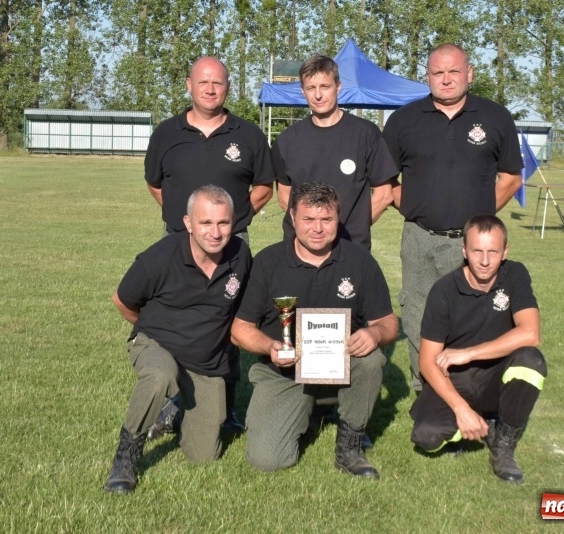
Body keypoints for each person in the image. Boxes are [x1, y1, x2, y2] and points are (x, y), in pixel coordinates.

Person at [231, 182, 398, 478]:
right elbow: (240, 329)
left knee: (371, 361)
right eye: (308, 219)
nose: (317, 228)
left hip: (343, 366)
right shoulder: (268, 262)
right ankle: (308, 408)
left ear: (338, 219)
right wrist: (270, 347)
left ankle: (350, 442)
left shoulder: (360, 262)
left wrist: (374, 334)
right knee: (267, 459)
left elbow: (388, 323)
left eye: (327, 219)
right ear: (292, 217)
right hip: (285, 372)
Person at [143, 56, 275, 433]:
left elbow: (265, 187)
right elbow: (156, 185)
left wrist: (230, 224)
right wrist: (188, 227)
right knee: (178, 320)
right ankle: (172, 401)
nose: (210, 88)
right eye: (203, 82)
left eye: (218, 83)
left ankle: (227, 404)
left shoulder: (248, 134)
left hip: (231, 247)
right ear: (189, 85)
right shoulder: (166, 134)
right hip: (177, 246)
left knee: (228, 321)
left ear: (228, 87)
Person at [382, 43, 524, 392]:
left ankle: (469, 388)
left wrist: (479, 222)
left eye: (454, 72)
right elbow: (385, 179)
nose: (446, 80)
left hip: (470, 243)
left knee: (471, 317)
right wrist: (414, 207)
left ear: (469, 74)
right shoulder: (404, 120)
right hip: (419, 238)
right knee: (416, 314)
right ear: (427, 77)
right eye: (437, 73)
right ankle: (425, 391)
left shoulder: (495, 117)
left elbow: (511, 177)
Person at [104, 186, 252, 494]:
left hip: (206, 363)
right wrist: (153, 330)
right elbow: (122, 300)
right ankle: (127, 454)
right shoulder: (159, 257)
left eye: (223, 223)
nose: (215, 232)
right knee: (160, 374)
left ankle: (173, 410)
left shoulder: (241, 255)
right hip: (156, 345)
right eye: (205, 223)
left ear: (234, 222)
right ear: (188, 223)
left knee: (204, 456)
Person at [410, 215, 547, 483]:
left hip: (495, 375)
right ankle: (476, 423)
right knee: (426, 436)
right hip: (456, 379)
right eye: (477, 251)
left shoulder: (515, 274)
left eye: (493, 251)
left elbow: (531, 334)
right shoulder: (444, 291)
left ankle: (503, 445)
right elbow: (427, 361)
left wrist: (469, 352)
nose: (485, 261)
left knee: (531, 360)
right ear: (464, 251)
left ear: (505, 252)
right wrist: (461, 408)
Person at [273, 55, 398, 251]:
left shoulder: (365, 134)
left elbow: (384, 194)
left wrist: (353, 228)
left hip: (351, 248)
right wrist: (313, 233)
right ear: (302, 91)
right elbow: (284, 197)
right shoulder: (287, 140)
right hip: (300, 250)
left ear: (338, 87)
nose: (318, 95)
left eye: (325, 86)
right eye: (311, 88)